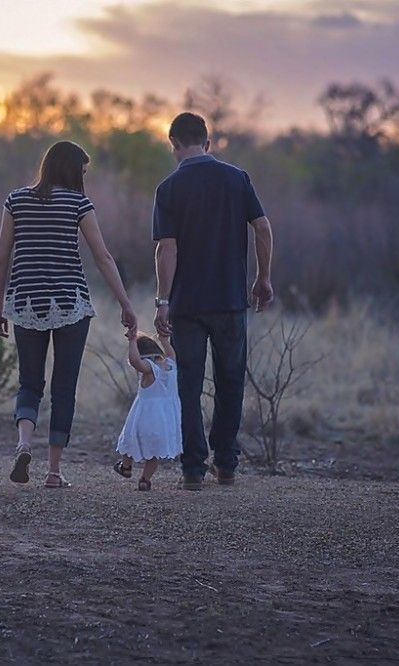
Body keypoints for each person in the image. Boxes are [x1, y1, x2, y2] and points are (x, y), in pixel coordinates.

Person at [0, 140, 136, 488]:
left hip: (25, 303)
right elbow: (103, 258)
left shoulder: (16, 200)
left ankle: (24, 444)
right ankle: (54, 472)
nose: (84, 178)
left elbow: (0, 259)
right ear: (72, 170)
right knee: (64, 389)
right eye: (82, 171)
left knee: (29, 382)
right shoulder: (78, 203)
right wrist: (126, 304)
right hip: (71, 304)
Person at [152, 112, 275, 491]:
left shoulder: (169, 188)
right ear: (208, 142)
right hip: (230, 300)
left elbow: (166, 249)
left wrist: (162, 300)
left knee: (188, 385)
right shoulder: (237, 179)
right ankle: (226, 464)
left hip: (187, 304)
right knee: (230, 381)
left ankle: (192, 469)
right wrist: (263, 277)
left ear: (173, 144)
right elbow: (263, 227)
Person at [113, 331, 182, 491]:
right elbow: (170, 352)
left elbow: (135, 361)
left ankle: (126, 466)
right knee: (154, 453)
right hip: (165, 420)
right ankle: (145, 479)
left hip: (145, 417)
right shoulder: (171, 364)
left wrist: (131, 342)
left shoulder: (149, 369)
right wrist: (163, 339)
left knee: (130, 441)